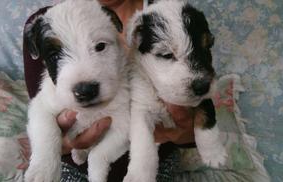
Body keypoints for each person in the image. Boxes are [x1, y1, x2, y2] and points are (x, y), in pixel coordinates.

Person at [20, 0, 197, 181]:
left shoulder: (173, 14)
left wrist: (190, 134)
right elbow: (40, 111)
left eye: (100, 46)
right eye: (56, 54)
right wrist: (51, 152)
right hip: (75, 168)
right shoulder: (44, 22)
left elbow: (196, 105)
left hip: (156, 163)